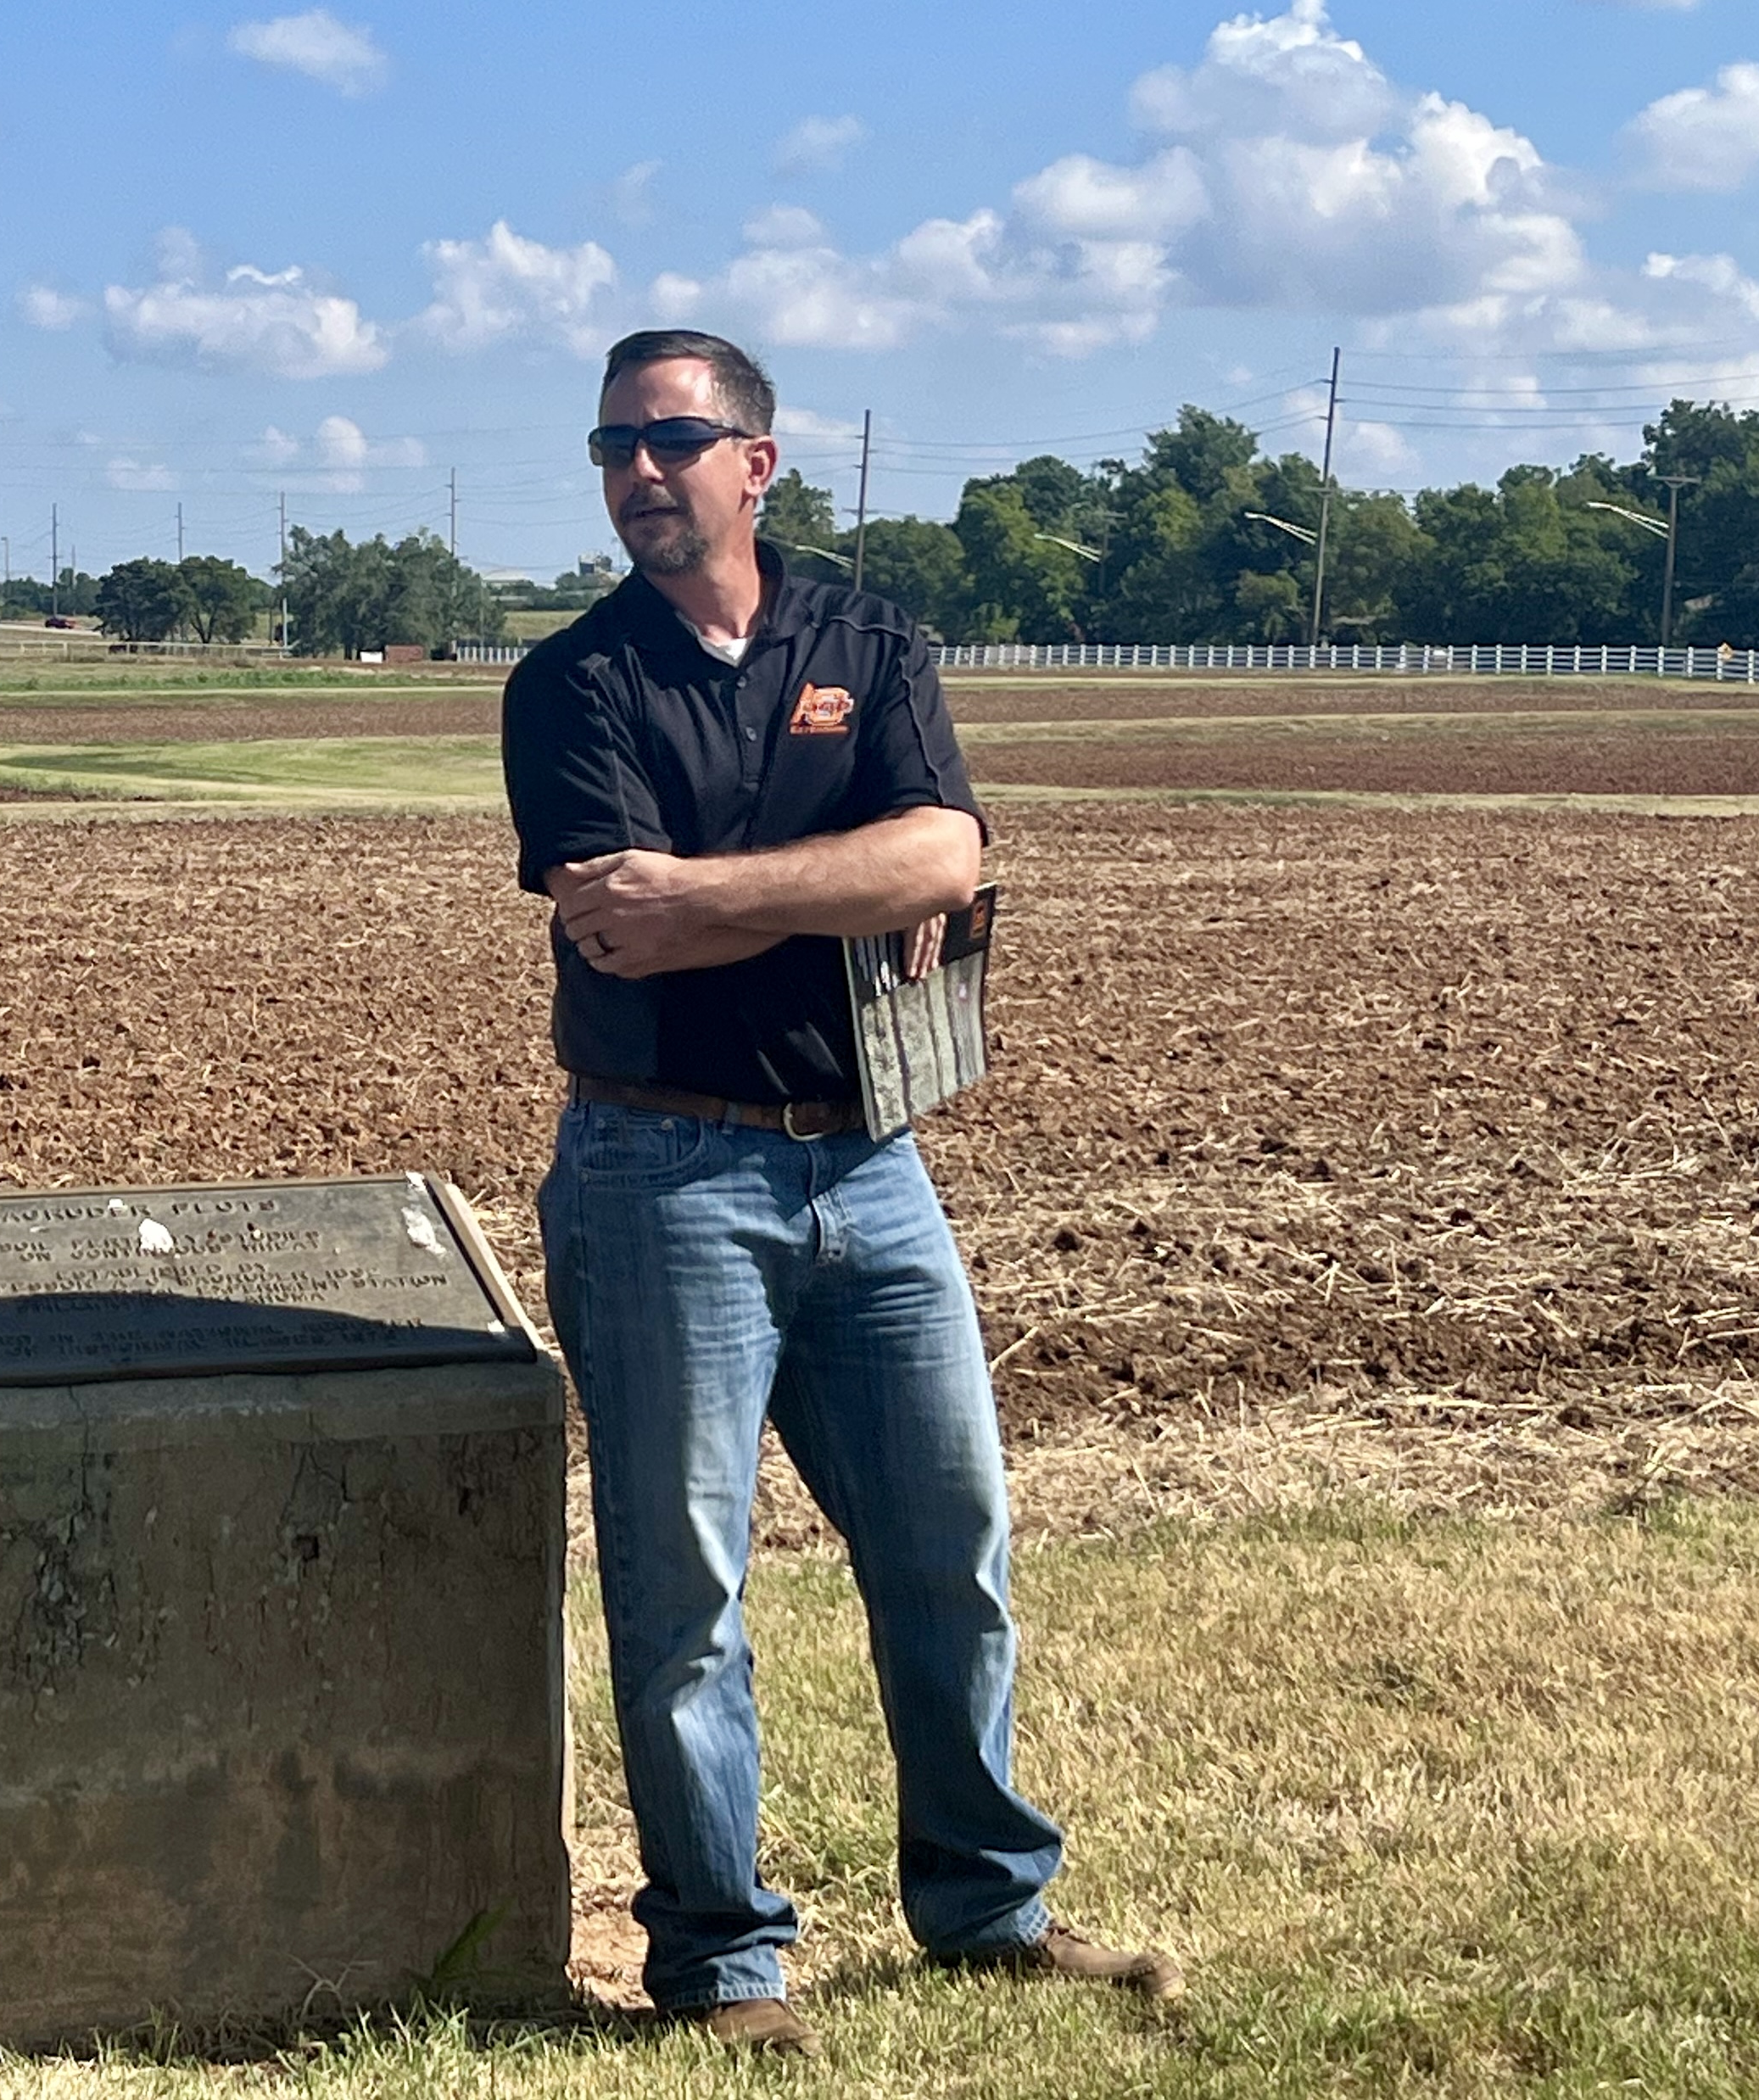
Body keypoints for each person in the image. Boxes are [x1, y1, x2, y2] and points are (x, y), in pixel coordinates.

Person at [500, 329, 1185, 2057]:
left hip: (871, 1164)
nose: (639, 472)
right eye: (612, 445)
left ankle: (986, 1904)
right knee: (686, 1595)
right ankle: (724, 1963)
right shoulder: (572, 683)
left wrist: (737, 886)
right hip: (661, 1167)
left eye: (673, 438)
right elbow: (617, 918)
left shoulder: (865, 639)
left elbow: (948, 854)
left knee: (951, 1548)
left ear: (758, 461)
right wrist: (841, 877)